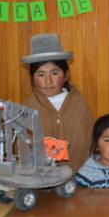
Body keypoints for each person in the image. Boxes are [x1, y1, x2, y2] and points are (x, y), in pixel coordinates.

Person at [21, 33, 94, 173]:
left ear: (66, 75)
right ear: (32, 78)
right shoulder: (27, 107)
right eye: (41, 75)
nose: (48, 81)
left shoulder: (79, 103)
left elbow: (89, 139)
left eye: (54, 73)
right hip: (40, 180)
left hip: (79, 177)